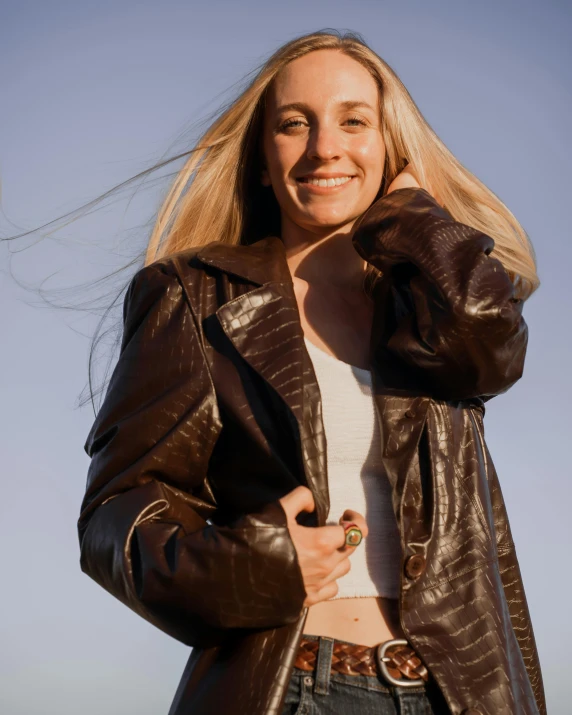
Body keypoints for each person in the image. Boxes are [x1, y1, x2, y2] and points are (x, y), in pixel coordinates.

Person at [77, 30, 547, 715]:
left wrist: (416, 220)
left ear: (390, 148)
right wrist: (261, 561)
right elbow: (115, 517)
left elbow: (491, 343)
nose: (325, 146)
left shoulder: (428, 301)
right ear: (264, 160)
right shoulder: (195, 296)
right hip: (296, 687)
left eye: (354, 121)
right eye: (295, 124)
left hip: (460, 693)